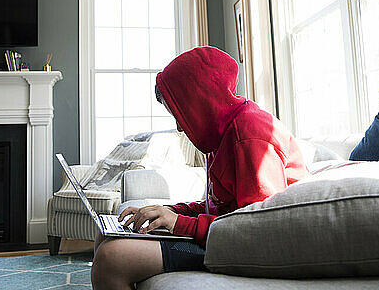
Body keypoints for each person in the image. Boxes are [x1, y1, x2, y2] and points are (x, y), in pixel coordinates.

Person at [91, 46, 309, 290]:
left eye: (180, 116)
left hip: (248, 248)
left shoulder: (250, 134)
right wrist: (166, 212)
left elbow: (254, 228)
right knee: (108, 234)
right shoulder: (219, 136)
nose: (180, 128)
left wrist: (178, 224)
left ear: (201, 101)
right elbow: (217, 207)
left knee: (113, 259)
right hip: (224, 235)